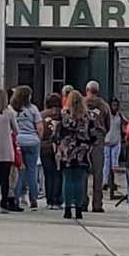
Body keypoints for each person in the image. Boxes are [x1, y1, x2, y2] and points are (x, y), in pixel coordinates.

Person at [51, 89, 102, 220]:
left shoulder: (63, 116)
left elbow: (55, 135)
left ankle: (68, 209)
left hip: (66, 152)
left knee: (67, 180)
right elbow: (94, 136)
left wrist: (60, 145)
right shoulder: (87, 117)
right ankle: (79, 209)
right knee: (79, 181)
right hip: (82, 152)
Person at [12, 86, 43, 211]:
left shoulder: (12, 109)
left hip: (18, 141)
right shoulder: (33, 109)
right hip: (32, 141)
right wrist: (39, 138)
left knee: (19, 171)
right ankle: (33, 199)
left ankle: (16, 198)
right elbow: (40, 127)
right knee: (32, 171)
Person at [84, 81, 111, 213]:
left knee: (83, 170)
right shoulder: (104, 106)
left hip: (83, 139)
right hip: (98, 139)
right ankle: (97, 203)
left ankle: (82, 201)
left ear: (87, 90)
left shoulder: (81, 104)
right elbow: (108, 124)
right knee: (98, 172)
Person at [40, 93, 63, 209]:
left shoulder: (42, 114)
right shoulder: (62, 114)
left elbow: (39, 131)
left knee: (48, 174)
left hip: (45, 146)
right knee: (58, 173)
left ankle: (49, 201)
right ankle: (57, 200)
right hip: (59, 147)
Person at [105, 97, 126, 198]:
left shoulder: (120, 116)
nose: (115, 107)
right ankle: (105, 182)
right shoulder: (107, 116)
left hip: (116, 142)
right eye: (114, 105)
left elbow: (126, 125)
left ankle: (114, 182)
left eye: (117, 105)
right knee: (106, 163)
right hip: (106, 141)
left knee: (115, 163)